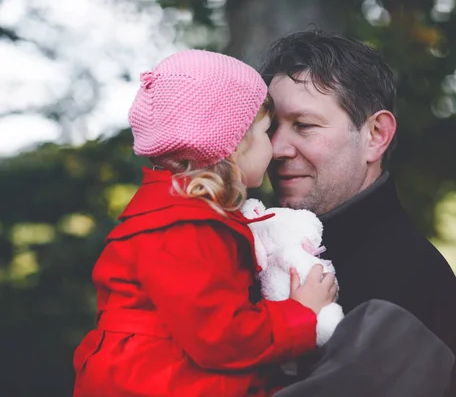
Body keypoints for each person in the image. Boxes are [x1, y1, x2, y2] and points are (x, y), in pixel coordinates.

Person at [72, 49, 338, 397]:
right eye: (264, 132)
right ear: (231, 144)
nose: (273, 148)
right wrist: (300, 313)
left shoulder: (173, 214)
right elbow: (219, 336)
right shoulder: (187, 226)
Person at [260, 30, 456, 396]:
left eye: (304, 125)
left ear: (376, 135)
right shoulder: (256, 251)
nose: (276, 148)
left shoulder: (409, 281)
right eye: (270, 127)